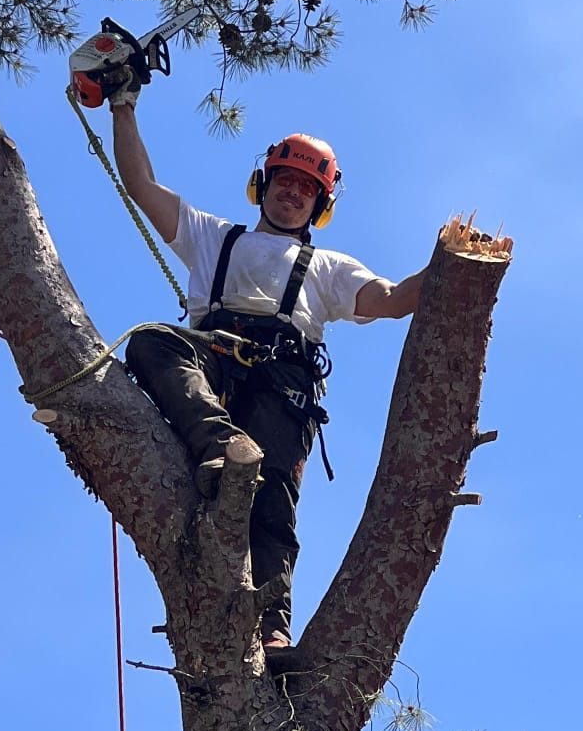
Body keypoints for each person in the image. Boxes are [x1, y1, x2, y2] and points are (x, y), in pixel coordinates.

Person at [92, 50, 425, 668]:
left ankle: (271, 628)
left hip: (281, 381)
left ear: (319, 204)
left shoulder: (328, 268)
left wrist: (449, 267)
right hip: (213, 360)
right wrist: (122, 104)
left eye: (306, 189)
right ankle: (220, 444)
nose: (292, 194)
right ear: (262, 186)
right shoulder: (214, 237)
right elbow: (141, 186)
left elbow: (391, 300)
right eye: (284, 182)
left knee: (272, 509)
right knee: (152, 342)